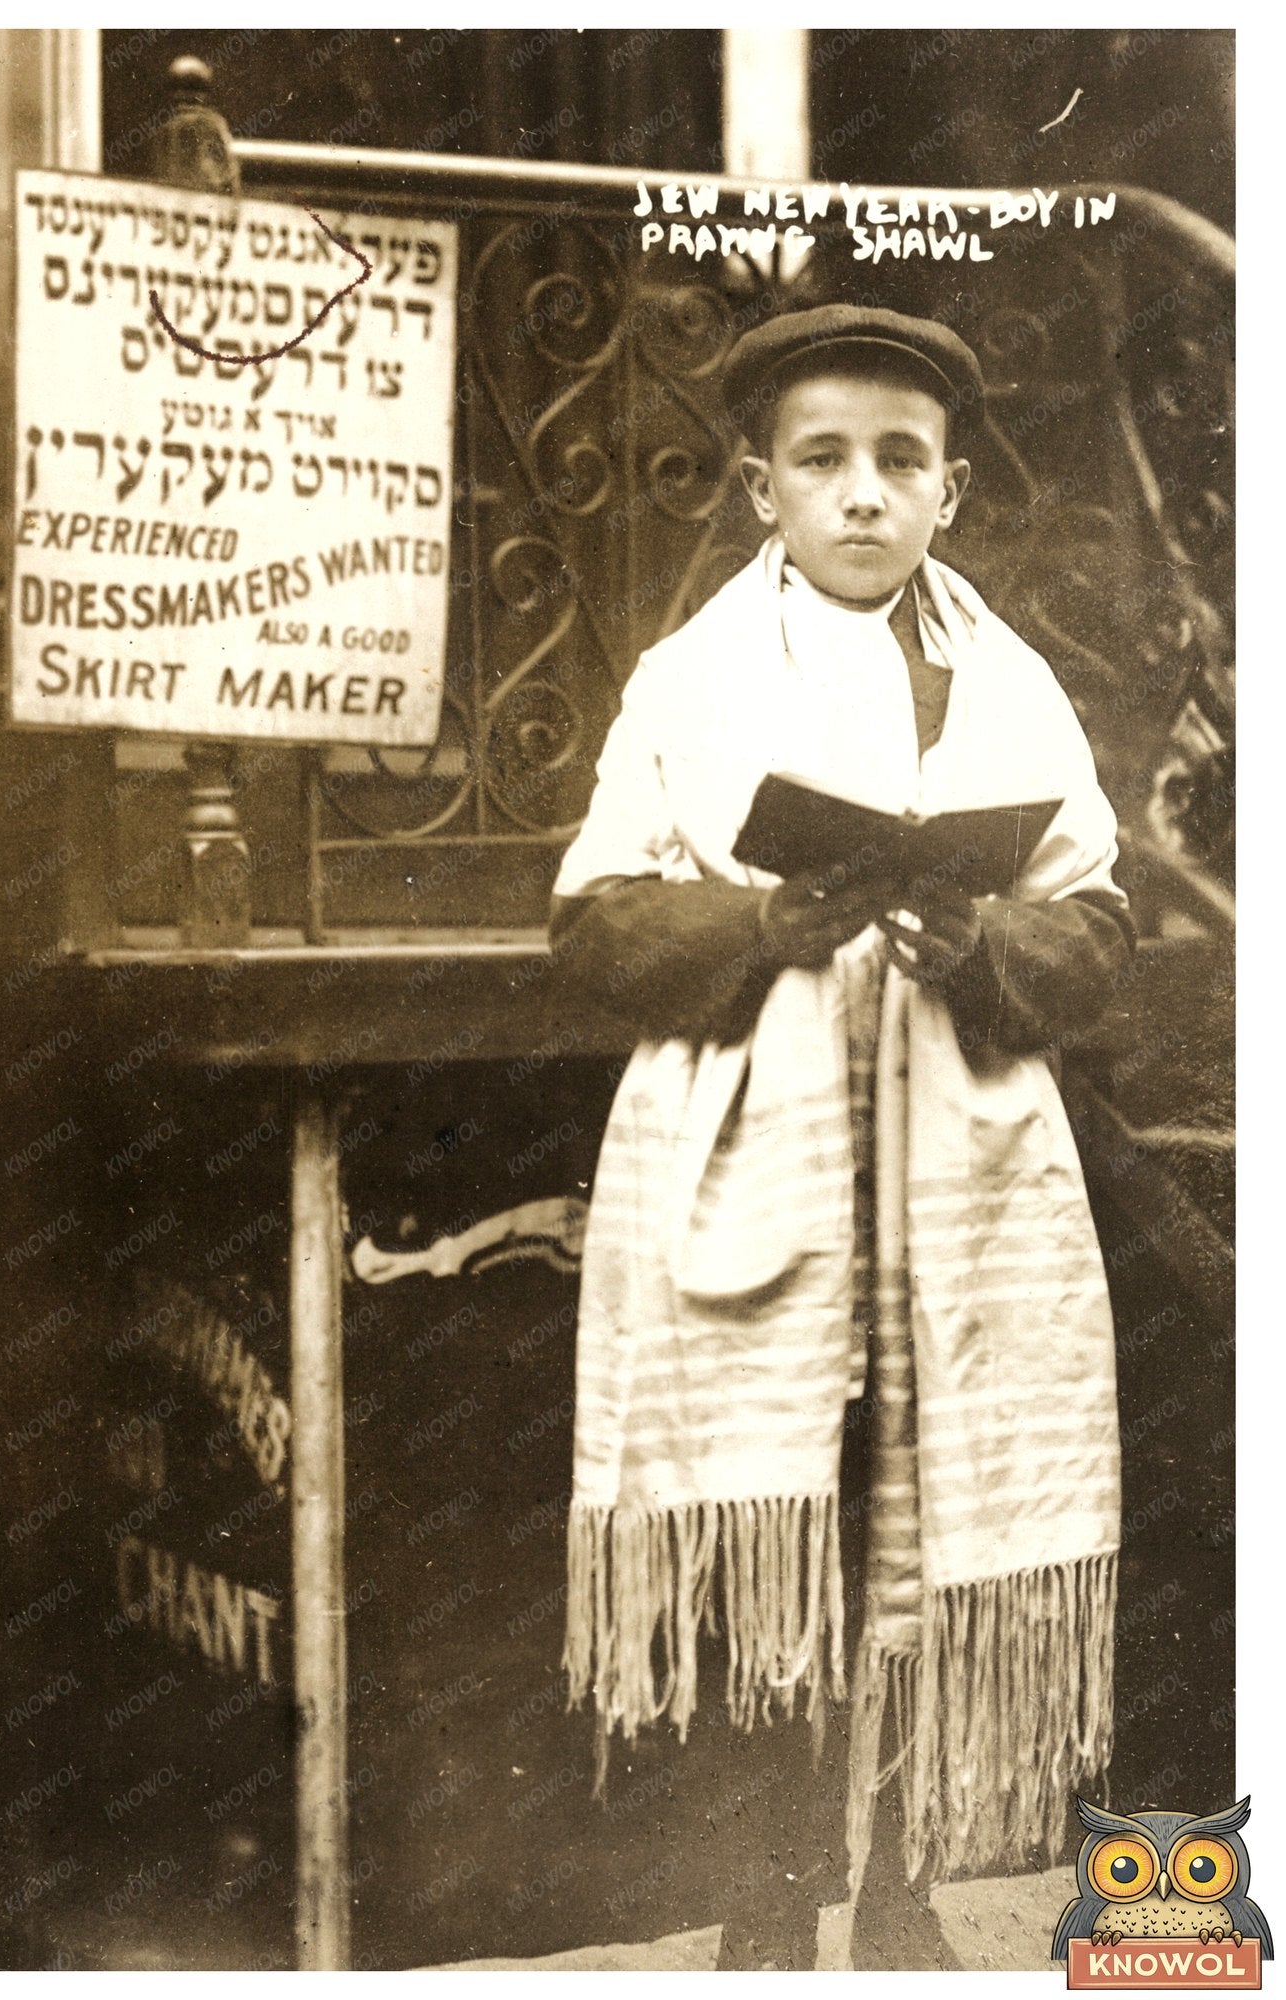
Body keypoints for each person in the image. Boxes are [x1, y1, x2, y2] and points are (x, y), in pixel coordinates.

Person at [552, 304, 1132, 1918]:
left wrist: (983, 942)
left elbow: (1092, 928)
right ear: (761, 489)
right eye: (821, 460)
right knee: (778, 1528)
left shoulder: (1008, 685)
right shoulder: (690, 679)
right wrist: (758, 925)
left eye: (899, 459)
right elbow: (591, 924)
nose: (862, 492)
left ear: (950, 488)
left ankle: (893, 1901)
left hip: (952, 1179)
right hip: (764, 1170)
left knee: (915, 1521)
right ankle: (764, 1901)